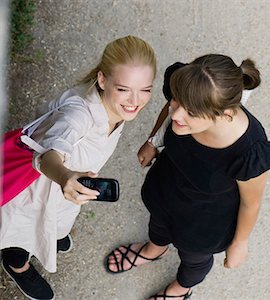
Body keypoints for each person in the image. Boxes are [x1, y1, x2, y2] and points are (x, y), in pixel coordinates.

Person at [105, 54, 270, 299]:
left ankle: (181, 288)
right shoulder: (189, 98)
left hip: (206, 220)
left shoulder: (248, 150)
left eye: (191, 113)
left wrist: (240, 243)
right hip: (167, 187)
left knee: (193, 258)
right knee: (158, 224)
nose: (176, 115)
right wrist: (153, 140)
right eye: (176, 100)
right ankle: (154, 249)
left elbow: (252, 202)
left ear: (225, 114)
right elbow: (171, 110)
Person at [0, 35, 157, 300]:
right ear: (103, 80)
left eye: (145, 89)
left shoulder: (114, 106)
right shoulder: (79, 114)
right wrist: (64, 175)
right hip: (36, 189)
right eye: (123, 89)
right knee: (21, 231)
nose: (135, 100)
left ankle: (53, 234)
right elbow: (51, 154)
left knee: (60, 219)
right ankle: (16, 263)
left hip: (67, 189)